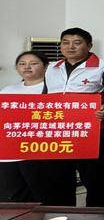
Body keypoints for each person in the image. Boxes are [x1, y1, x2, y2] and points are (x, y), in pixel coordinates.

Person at [45, 27, 104, 207]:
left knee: (93, 178)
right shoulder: (51, 68)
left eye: (77, 43)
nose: (70, 47)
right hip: (58, 131)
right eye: (65, 43)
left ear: (89, 46)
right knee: (60, 177)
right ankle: (63, 214)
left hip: (90, 132)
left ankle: (97, 216)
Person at [0, 51, 76, 205]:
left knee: (47, 197)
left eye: (33, 63)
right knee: (14, 198)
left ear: (46, 66)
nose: (27, 67)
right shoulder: (7, 91)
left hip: (42, 153)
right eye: (22, 64)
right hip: (10, 154)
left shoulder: (57, 90)